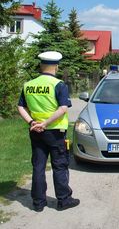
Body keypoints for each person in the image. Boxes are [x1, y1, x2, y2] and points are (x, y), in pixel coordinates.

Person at [18, 51, 80, 211]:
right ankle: (63, 200)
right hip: (55, 132)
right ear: (56, 66)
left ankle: (38, 203)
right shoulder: (59, 85)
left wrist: (33, 122)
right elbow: (63, 108)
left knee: (38, 166)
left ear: (41, 65)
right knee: (59, 165)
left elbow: (20, 107)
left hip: (35, 131)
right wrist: (45, 123)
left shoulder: (28, 85)